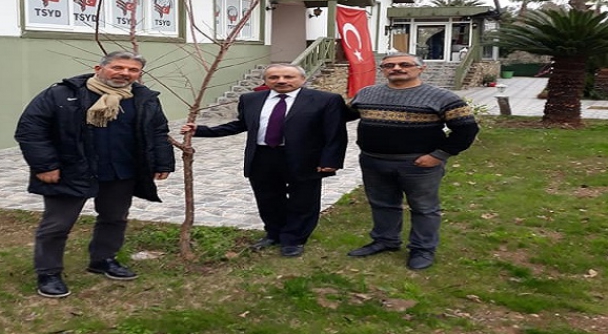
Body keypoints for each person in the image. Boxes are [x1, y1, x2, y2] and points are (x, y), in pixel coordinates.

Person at [15, 50, 175, 298]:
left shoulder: (144, 98)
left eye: (133, 70)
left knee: (115, 218)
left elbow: (157, 130)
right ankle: (48, 273)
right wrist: (45, 165)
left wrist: (163, 162)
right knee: (57, 225)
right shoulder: (62, 94)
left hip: (121, 170)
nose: (125, 74)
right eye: (118, 67)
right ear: (99, 68)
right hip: (71, 170)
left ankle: (103, 259)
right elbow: (31, 130)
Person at [181, 64, 347, 257]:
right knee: (268, 198)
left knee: (303, 201)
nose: (281, 81)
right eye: (274, 77)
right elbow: (240, 125)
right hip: (262, 156)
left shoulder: (325, 100)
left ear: (302, 79)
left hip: (304, 158)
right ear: (266, 80)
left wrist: (331, 160)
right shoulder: (251, 99)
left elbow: (335, 132)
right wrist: (200, 130)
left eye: (288, 77)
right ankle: (274, 233)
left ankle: (294, 240)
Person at [346, 52, 479, 270]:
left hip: (418, 165)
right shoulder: (366, 94)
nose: (396, 68)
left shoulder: (443, 97)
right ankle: (385, 240)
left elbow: (466, 129)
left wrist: (438, 155)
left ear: (421, 68)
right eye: (389, 65)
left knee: (424, 208)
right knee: (382, 204)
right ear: (383, 70)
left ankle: (422, 249)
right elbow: (344, 114)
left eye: (404, 64)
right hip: (373, 161)